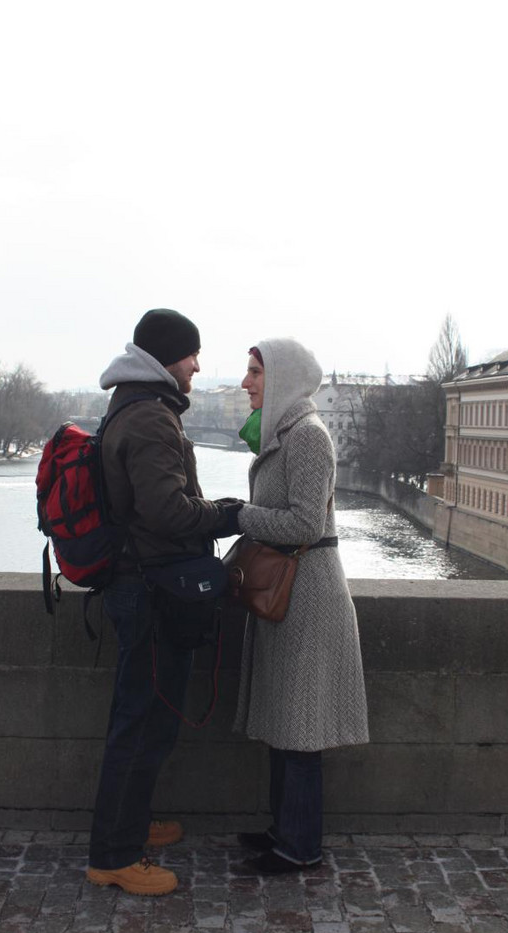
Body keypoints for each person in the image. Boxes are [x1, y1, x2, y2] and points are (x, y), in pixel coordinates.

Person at [86, 308, 242, 896]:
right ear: (165, 358)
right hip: (150, 589)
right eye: (190, 355)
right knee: (141, 721)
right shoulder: (151, 418)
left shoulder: (133, 404)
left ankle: (134, 822)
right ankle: (114, 856)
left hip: (141, 583)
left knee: (147, 718)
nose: (198, 366)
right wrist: (229, 513)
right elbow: (167, 511)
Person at [234, 338, 369, 874]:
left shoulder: (308, 438)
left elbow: (305, 524)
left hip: (308, 596)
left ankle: (300, 847)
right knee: (286, 724)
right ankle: (283, 829)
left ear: (284, 377)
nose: (246, 382)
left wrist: (237, 515)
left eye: (255, 373)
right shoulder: (285, 434)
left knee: (301, 730)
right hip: (286, 593)